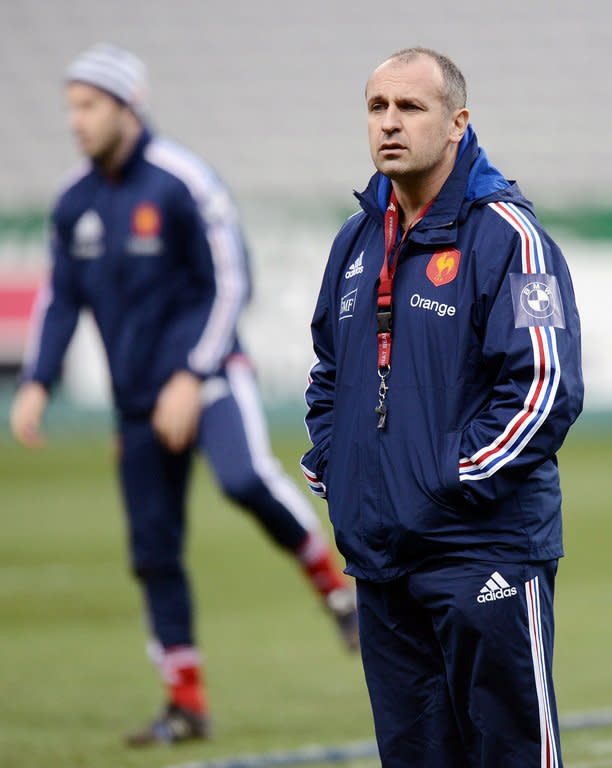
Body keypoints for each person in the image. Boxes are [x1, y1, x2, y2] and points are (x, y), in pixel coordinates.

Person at [10, 42, 358, 748]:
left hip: (210, 375)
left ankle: (339, 591)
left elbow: (232, 283)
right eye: (70, 107)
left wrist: (190, 376)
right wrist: (36, 382)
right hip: (136, 401)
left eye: (89, 106)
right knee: (152, 551)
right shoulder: (73, 201)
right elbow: (59, 299)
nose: (75, 121)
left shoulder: (181, 181)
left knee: (243, 479)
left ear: (128, 106)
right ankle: (186, 705)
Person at [301, 46, 583, 768]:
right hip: (383, 561)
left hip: (480, 552)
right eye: (376, 107)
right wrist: (342, 469)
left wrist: (445, 480)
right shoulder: (357, 241)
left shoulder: (508, 237)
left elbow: (545, 386)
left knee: (511, 755)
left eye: (410, 107)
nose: (389, 124)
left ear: (457, 122)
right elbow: (330, 372)